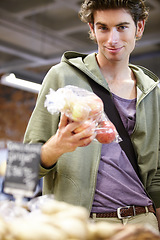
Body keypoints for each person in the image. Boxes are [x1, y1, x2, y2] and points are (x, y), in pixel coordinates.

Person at [24, 0, 160, 231]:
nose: (112, 39)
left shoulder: (152, 91)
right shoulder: (62, 76)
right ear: (92, 29)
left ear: (139, 28)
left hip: (142, 221)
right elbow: (23, 167)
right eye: (103, 27)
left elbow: (156, 175)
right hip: (77, 225)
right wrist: (57, 146)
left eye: (122, 27)